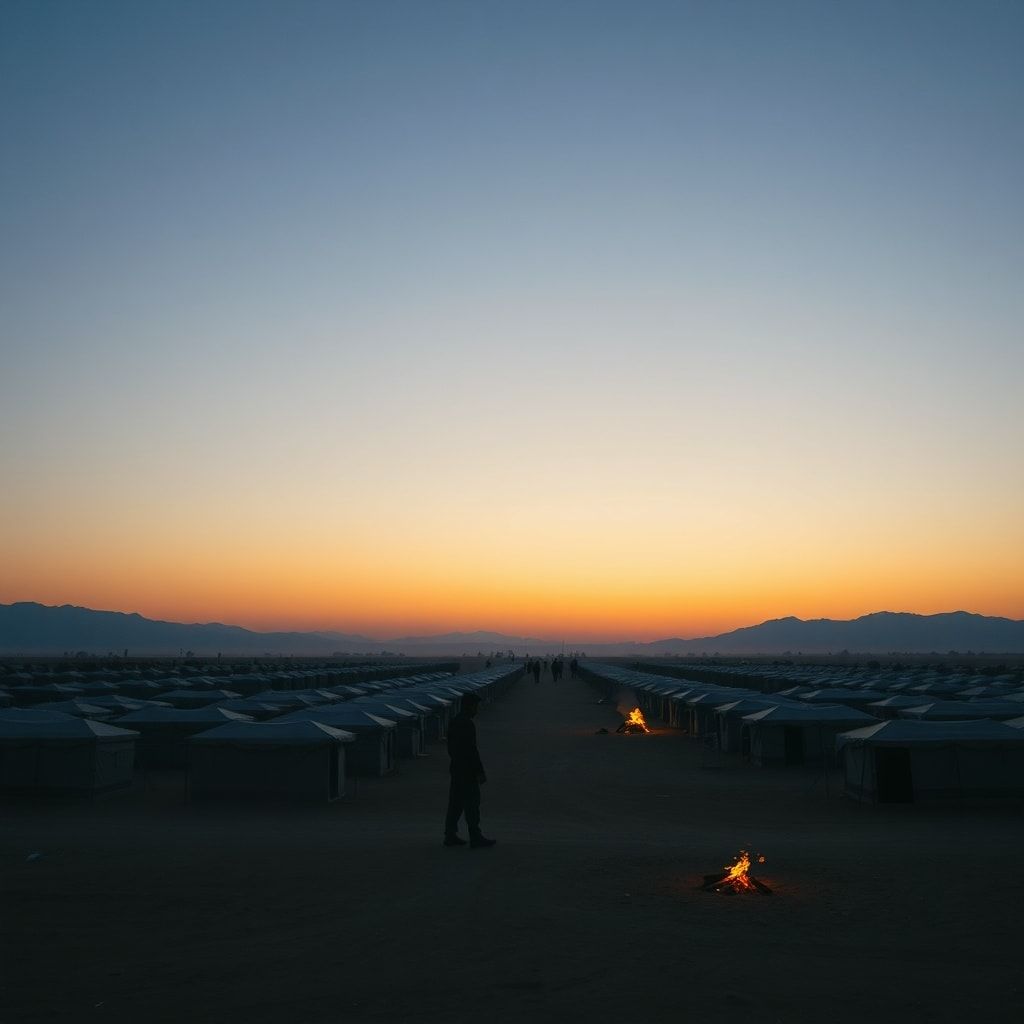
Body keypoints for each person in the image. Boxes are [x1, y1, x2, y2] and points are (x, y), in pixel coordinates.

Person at [444, 693, 496, 848]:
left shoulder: (454, 722)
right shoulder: (466, 724)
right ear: (468, 706)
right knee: (472, 803)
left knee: (455, 803)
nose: (476, 709)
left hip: (456, 769)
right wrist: (479, 771)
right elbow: (471, 750)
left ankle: (450, 834)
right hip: (467, 771)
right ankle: (475, 835)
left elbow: (451, 748)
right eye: (475, 706)